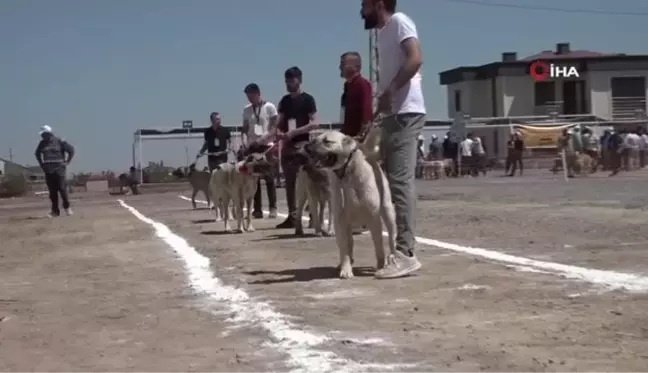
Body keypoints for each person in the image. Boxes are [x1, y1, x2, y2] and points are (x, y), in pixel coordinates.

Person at [362, 0, 425, 278]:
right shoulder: (381, 33)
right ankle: (402, 249)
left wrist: (392, 91)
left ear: (377, 3)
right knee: (390, 182)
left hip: (406, 113)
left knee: (400, 182)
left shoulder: (400, 21)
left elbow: (415, 58)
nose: (361, 10)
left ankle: (406, 253)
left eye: (363, 4)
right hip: (392, 116)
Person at [274, 66, 319, 229]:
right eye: (286, 80)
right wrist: (279, 132)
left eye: (291, 80)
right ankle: (293, 217)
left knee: (308, 183)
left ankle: (313, 215)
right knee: (290, 184)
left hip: (303, 146)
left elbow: (314, 122)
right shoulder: (284, 101)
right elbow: (279, 122)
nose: (288, 83)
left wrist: (295, 132)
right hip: (288, 146)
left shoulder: (308, 99)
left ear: (299, 80)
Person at [241, 83, 278, 219]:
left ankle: (273, 208)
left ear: (258, 93)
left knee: (269, 178)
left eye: (251, 96)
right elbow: (245, 128)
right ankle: (257, 210)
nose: (249, 99)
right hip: (252, 146)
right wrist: (244, 142)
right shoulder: (246, 110)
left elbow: (274, 128)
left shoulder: (270, 107)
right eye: (247, 97)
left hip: (266, 145)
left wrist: (262, 140)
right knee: (253, 179)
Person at [34, 125, 75, 217]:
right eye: (42, 135)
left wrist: (67, 162)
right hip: (48, 170)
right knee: (52, 192)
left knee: (62, 188)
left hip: (59, 168)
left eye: (44, 134)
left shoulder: (60, 141)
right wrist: (41, 164)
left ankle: (67, 207)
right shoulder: (42, 143)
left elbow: (71, 150)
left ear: (49, 134)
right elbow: (37, 154)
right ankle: (55, 211)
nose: (43, 137)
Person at [339, 51, 373, 140]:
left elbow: (366, 112)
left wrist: (361, 135)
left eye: (343, 64)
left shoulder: (363, 84)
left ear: (355, 67)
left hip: (357, 139)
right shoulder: (347, 85)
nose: (340, 67)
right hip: (347, 136)